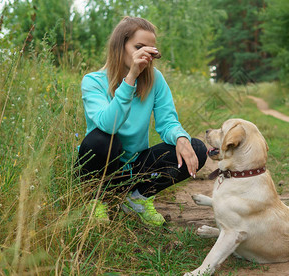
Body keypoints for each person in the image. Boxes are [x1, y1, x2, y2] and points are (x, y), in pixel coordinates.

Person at [76, 16, 207, 226]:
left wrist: (181, 137)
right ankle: (96, 200)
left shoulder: (155, 80)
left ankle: (136, 199)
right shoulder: (93, 81)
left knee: (196, 147)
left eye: (151, 50)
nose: (146, 55)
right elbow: (109, 125)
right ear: (120, 46)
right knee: (103, 139)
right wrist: (130, 78)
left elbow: (167, 122)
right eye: (139, 47)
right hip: (102, 167)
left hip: (135, 168)